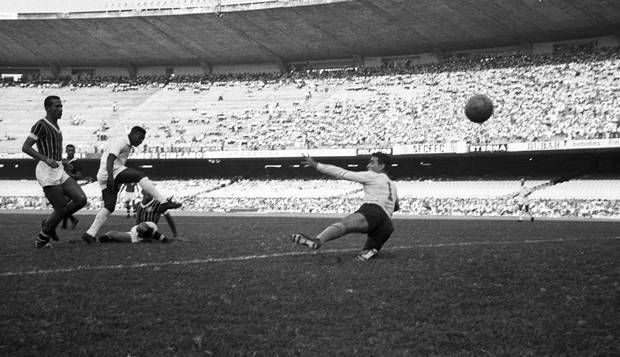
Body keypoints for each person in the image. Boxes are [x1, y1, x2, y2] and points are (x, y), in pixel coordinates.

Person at [290, 152, 399, 261]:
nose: (368, 165)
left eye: (371, 162)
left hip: (373, 211)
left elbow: (342, 173)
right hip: (387, 225)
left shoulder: (372, 175)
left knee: (344, 225)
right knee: (368, 250)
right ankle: (370, 251)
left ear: (381, 166)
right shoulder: (392, 185)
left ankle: (318, 240)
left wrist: (316, 165)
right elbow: (396, 206)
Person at [81, 126, 182, 243]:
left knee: (109, 206)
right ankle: (163, 202)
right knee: (140, 176)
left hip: (104, 174)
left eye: (143, 139)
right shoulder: (122, 141)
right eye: (140, 138)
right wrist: (110, 176)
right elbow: (110, 158)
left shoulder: (128, 145)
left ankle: (90, 233)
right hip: (111, 171)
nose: (141, 141)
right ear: (133, 134)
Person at [21, 95, 87, 248]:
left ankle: (48, 222)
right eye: (56, 106)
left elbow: (52, 149)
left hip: (58, 168)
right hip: (46, 171)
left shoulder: (56, 126)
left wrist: (62, 161)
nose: (60, 109)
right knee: (61, 208)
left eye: (61, 106)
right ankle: (41, 240)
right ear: (47, 108)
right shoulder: (41, 125)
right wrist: (45, 159)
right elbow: (26, 147)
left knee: (81, 199)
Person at [97, 192, 178, 243]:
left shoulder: (158, 204)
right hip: (138, 232)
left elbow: (169, 218)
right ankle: (96, 240)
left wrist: (175, 235)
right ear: (142, 191)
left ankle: (164, 239)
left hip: (150, 227)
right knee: (111, 233)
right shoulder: (138, 205)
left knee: (142, 225)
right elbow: (137, 222)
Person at [60, 144, 93, 229]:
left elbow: (78, 176)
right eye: (68, 150)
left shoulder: (77, 162)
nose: (70, 152)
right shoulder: (63, 161)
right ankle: (70, 221)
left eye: (72, 150)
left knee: (63, 206)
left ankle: (69, 223)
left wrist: (67, 174)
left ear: (74, 151)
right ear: (66, 151)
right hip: (63, 185)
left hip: (72, 187)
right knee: (63, 206)